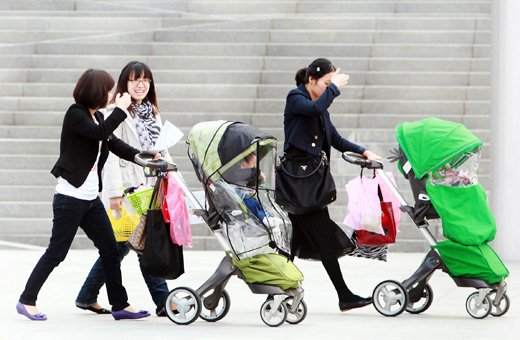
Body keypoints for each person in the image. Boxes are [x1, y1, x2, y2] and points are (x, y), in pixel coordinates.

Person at [16, 69, 151, 321]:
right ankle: (26, 300)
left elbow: (113, 143)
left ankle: (120, 304)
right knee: (56, 253)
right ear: (97, 90)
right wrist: (121, 109)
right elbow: (99, 134)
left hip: (90, 200)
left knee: (110, 250)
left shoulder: (98, 116)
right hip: (69, 200)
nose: (112, 94)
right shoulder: (76, 114)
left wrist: (142, 158)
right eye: (109, 89)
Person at [283, 58, 382, 312]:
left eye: (331, 84)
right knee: (322, 239)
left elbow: (334, 138)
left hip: (311, 184)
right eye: (326, 83)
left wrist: (364, 151)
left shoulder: (318, 105)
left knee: (295, 242)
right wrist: (334, 89)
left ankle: (284, 289)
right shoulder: (296, 98)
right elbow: (315, 109)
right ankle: (341, 295)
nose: (329, 88)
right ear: (312, 80)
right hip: (300, 184)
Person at [75, 61, 171, 317]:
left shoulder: (153, 112)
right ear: (124, 84)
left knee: (120, 246)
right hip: (128, 188)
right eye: (135, 80)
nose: (141, 85)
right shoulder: (114, 111)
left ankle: (86, 295)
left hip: (151, 185)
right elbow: (109, 155)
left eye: (146, 80)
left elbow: (160, 147)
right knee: (141, 243)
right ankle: (164, 302)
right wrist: (113, 193)